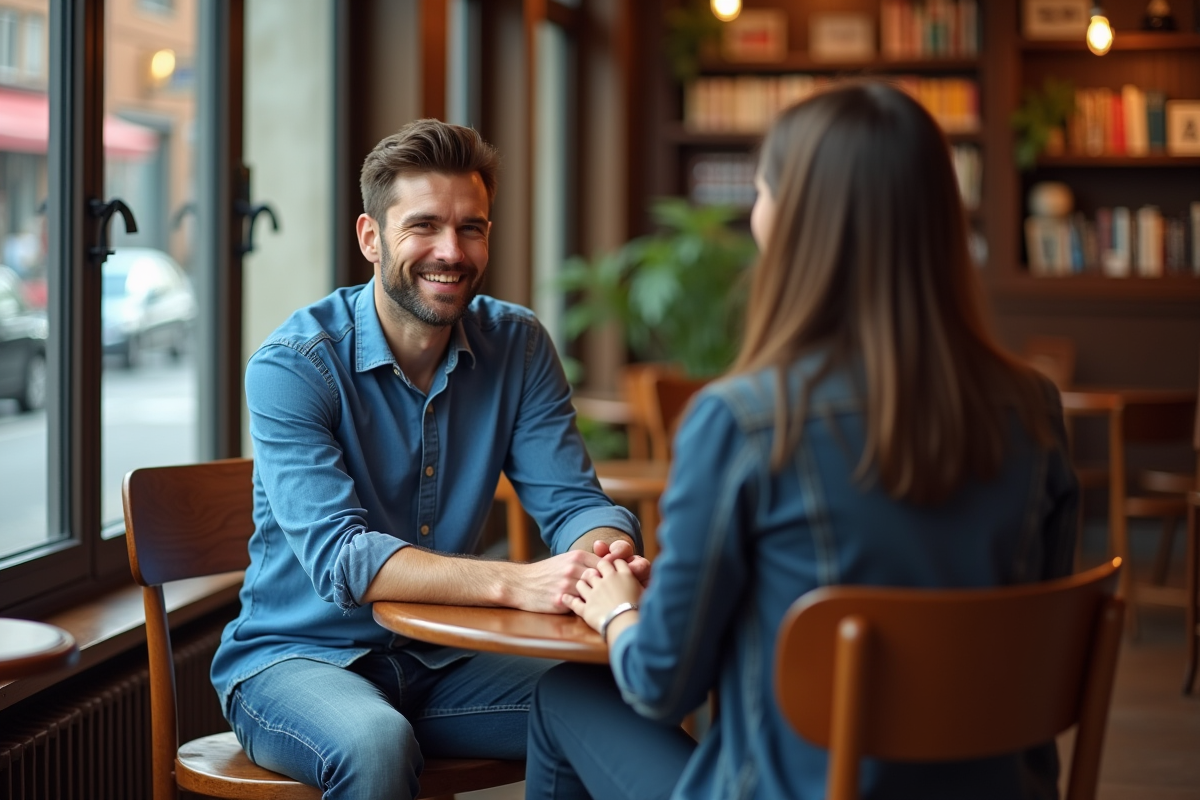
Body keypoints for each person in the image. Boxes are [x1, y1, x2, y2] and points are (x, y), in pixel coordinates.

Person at [525, 81, 1079, 800]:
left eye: (760, 193)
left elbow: (663, 686)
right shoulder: (1033, 408)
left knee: (566, 696)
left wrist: (620, 611)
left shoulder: (744, 421)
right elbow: (1039, 638)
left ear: (792, 222)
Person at [210, 119, 648, 799]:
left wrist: (604, 557)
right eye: (424, 226)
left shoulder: (518, 346)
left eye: (471, 227)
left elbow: (573, 504)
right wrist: (514, 583)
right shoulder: (293, 365)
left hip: (440, 662)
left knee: (625, 694)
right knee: (376, 741)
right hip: (293, 661)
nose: (451, 250)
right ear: (370, 237)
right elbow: (343, 557)